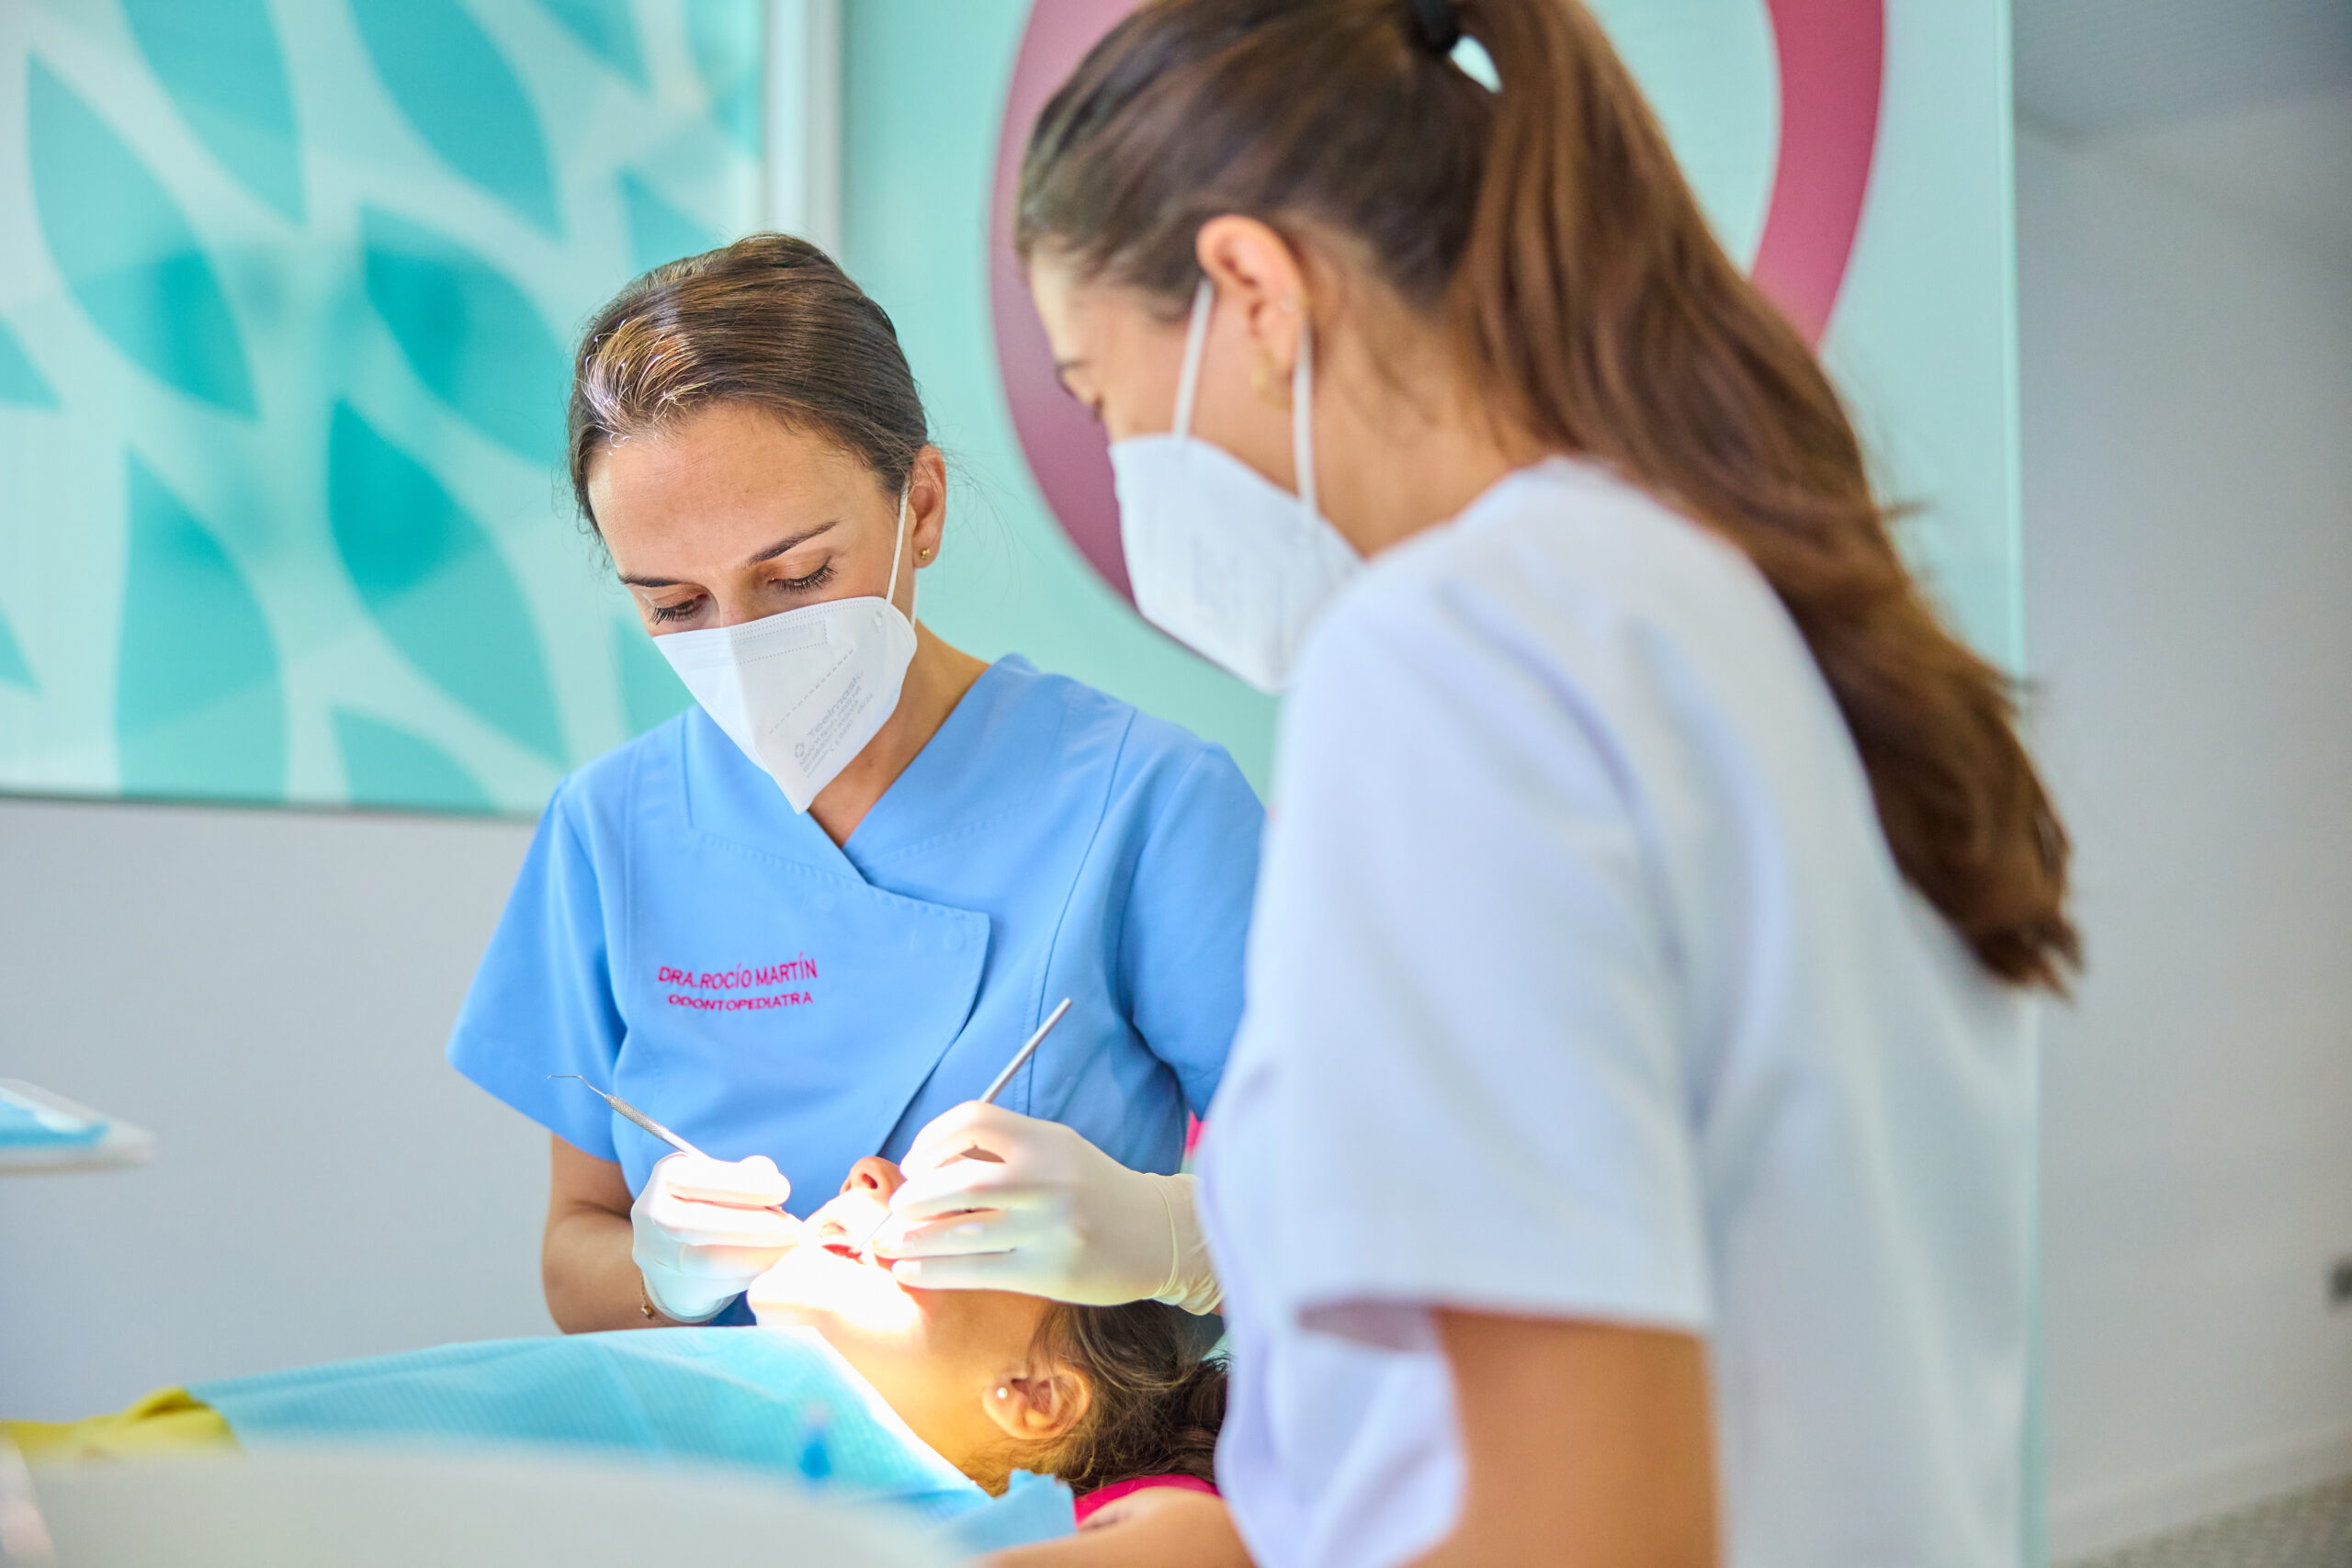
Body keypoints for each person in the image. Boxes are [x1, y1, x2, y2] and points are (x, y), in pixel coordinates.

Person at [890, 1, 2083, 1564]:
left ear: (1251, 288)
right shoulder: (1739, 611)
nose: (1121, 470)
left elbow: (1578, 1525)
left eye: (1101, 395)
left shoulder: (1455, 654)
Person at [447, 235, 1251, 1332]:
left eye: (797, 577)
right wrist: (658, 1273)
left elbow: (1369, 1214)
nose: (740, 643)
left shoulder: (1147, 806)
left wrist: (1170, 1238)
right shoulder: (611, 830)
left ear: (919, 506)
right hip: (721, 1472)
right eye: (674, 605)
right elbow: (573, 1249)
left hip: (1046, 1480)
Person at [6, 1159, 1248, 1565]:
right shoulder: (768, 1395)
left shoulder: (973, 1515)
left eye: (956, 1215)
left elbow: (1208, 1541)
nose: (868, 1172)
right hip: (133, 1484)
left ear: (1032, 1396)